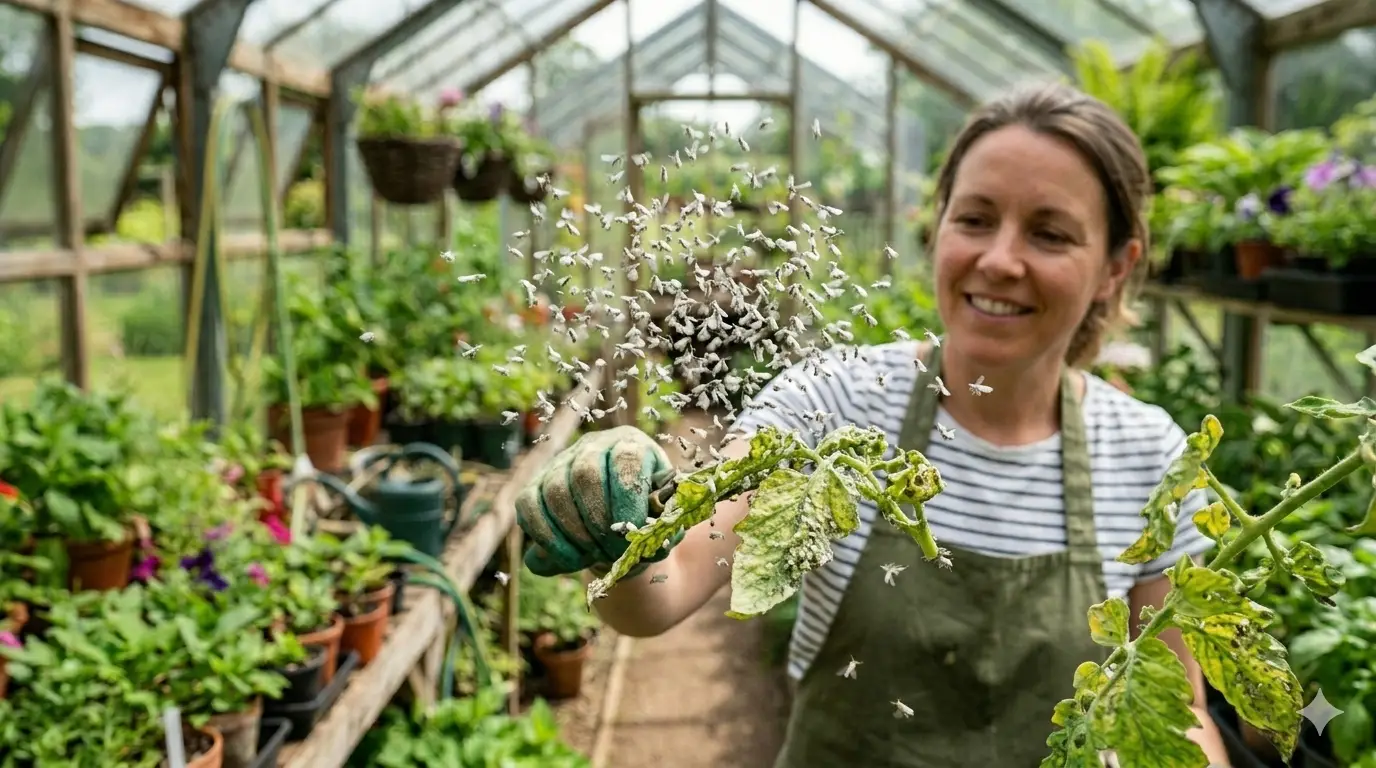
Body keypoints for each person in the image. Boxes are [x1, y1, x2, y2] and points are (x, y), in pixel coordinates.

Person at [515, 81, 1232, 767]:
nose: (999, 259)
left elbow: (1176, 708)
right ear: (938, 227)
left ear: (1116, 266)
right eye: (975, 219)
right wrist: (619, 526)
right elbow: (668, 592)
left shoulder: (1148, 456)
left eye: (1049, 234)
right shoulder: (835, 403)